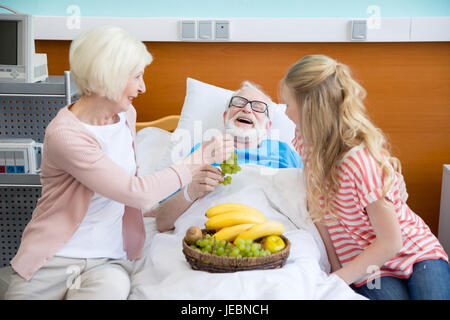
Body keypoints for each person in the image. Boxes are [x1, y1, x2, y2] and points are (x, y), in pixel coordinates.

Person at [5, 26, 233, 300]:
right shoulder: (66, 134)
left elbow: (127, 189)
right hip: (53, 259)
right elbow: (135, 191)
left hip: (107, 262)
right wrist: (199, 158)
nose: (143, 87)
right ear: (109, 76)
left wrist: (161, 208)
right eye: (136, 77)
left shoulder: (126, 115)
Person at [281, 54, 450, 300]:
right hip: (366, 263)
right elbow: (319, 211)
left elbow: (391, 242)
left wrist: (338, 279)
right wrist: (337, 270)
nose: (284, 113)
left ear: (310, 108)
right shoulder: (307, 143)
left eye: (287, 104)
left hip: (412, 250)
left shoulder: (358, 162)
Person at [148, 81, 302, 232]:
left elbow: (310, 202)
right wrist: (192, 190)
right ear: (225, 116)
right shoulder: (203, 151)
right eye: (239, 103)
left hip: (272, 232)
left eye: (258, 107)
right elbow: (163, 222)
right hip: (207, 232)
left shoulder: (284, 153)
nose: (247, 109)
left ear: (268, 126)